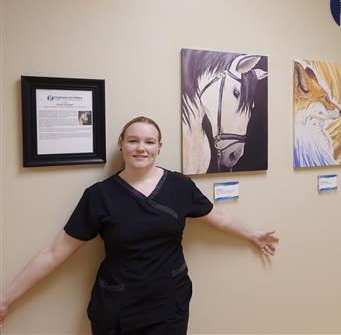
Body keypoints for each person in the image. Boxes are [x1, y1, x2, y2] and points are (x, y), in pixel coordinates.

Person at [0, 116, 278, 334]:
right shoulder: (99, 196)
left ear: (160, 146)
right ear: (121, 144)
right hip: (117, 306)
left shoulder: (179, 186)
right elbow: (55, 252)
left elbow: (217, 216)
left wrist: (253, 234)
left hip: (169, 302)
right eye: (133, 141)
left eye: (149, 141)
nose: (141, 148)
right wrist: (6, 299)